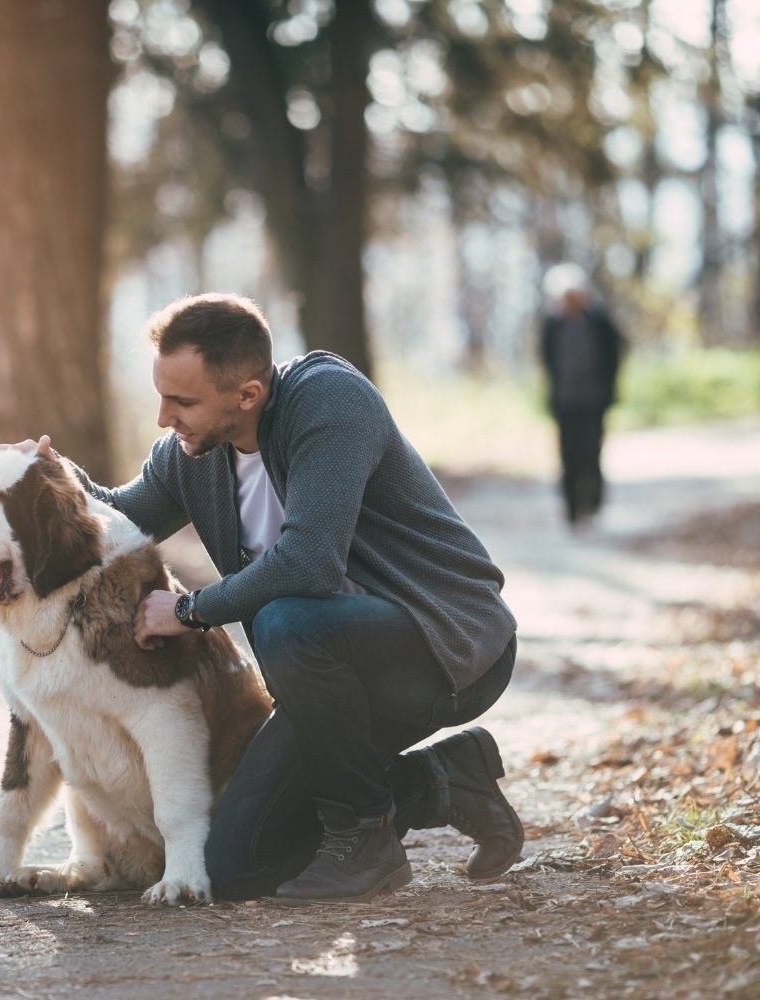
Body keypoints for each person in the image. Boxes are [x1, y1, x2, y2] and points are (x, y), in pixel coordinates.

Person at [44, 292, 522, 904]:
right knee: (234, 865)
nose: (164, 417)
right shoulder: (192, 454)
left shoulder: (329, 401)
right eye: (161, 396)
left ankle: (364, 840)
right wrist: (55, 476)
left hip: (445, 649)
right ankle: (442, 782)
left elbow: (309, 564)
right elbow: (115, 522)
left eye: (182, 401)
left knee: (285, 619)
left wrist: (189, 612)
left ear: (247, 394)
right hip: (326, 677)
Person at [538, 265, 626, 527]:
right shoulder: (553, 325)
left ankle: (594, 504)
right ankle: (571, 509)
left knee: (592, 452)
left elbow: (615, 355)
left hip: (594, 400)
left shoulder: (599, 321)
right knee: (568, 455)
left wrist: (610, 390)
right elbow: (546, 361)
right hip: (565, 401)